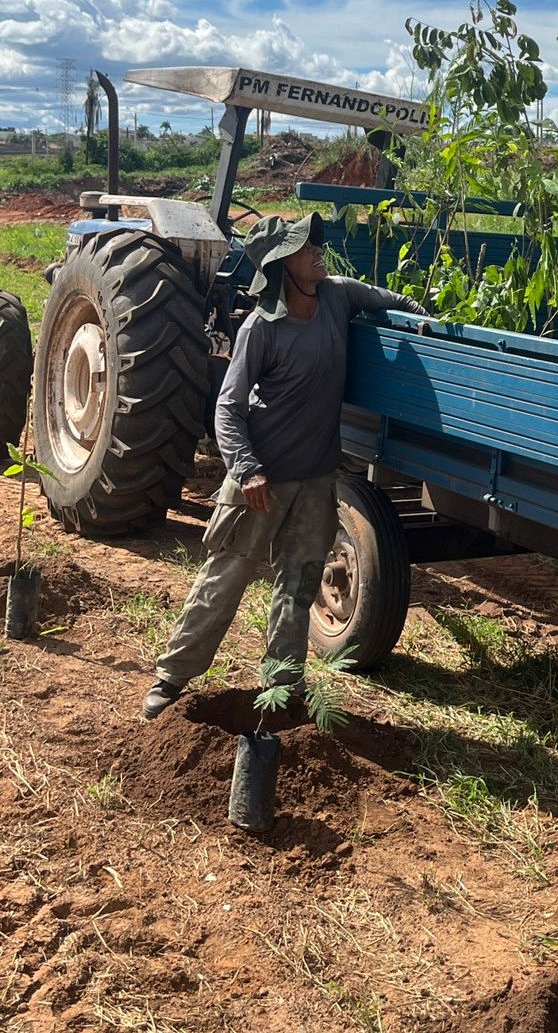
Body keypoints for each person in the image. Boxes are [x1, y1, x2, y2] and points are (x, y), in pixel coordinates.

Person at [141, 211, 430, 720]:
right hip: (262, 480)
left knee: (297, 585)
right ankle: (172, 677)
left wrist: (421, 319)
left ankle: (281, 690)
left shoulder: (337, 296)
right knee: (225, 577)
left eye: (315, 243)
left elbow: (392, 301)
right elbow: (228, 407)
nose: (318, 251)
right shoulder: (260, 328)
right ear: (281, 266)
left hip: (316, 479)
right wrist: (247, 469)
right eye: (305, 247)